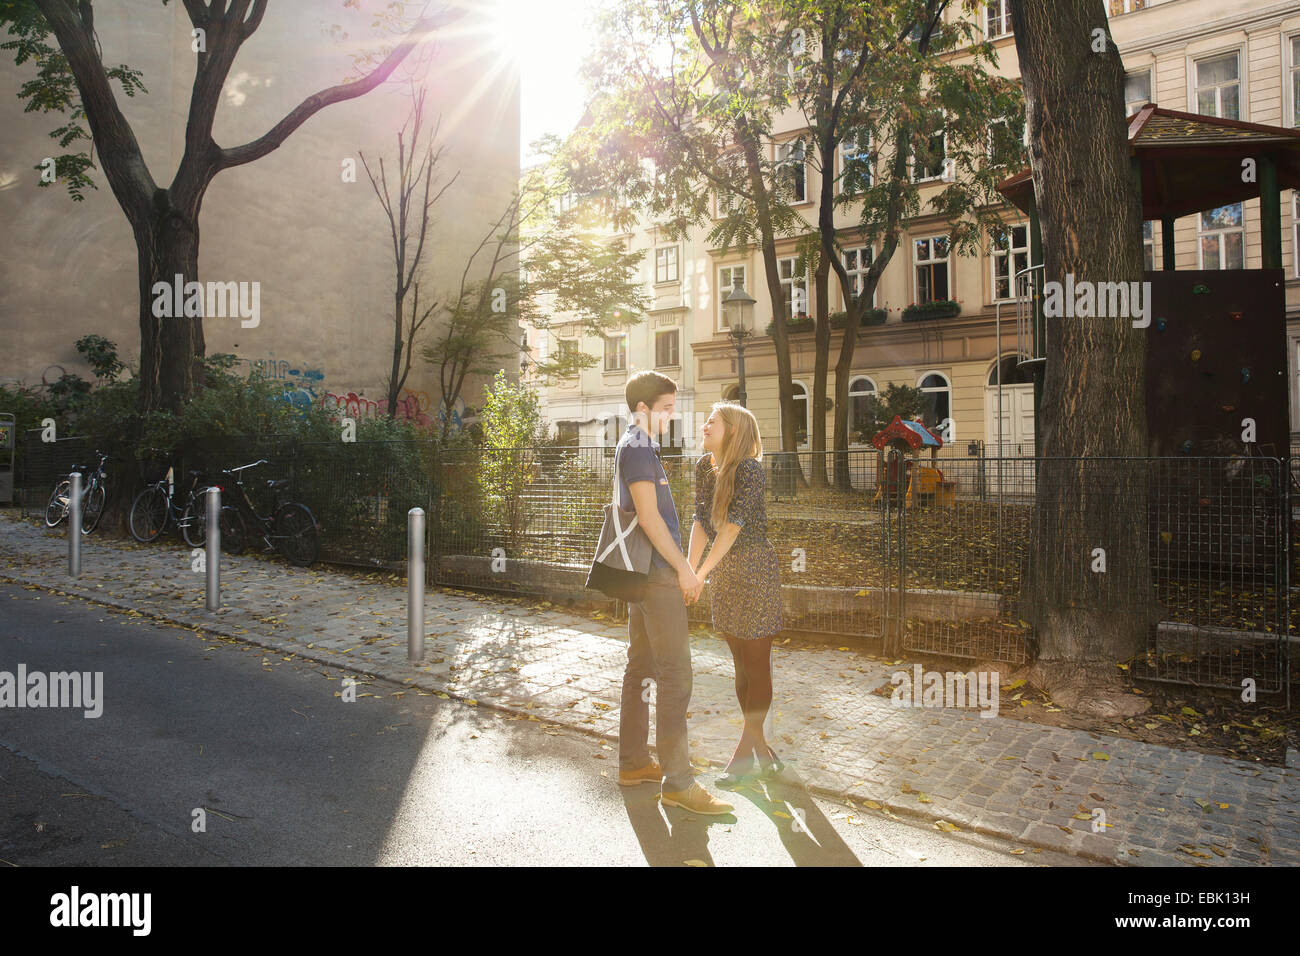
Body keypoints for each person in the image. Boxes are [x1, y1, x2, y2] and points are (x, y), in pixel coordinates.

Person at [615, 371, 734, 815]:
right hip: (657, 575)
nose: (673, 414)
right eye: (666, 407)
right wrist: (686, 569)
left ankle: (633, 763)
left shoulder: (637, 446)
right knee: (676, 676)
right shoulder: (639, 448)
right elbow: (649, 518)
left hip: (642, 575)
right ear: (643, 409)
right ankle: (679, 783)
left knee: (642, 667)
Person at [688, 402, 786, 786]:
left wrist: (701, 575)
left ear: (733, 430)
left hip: (755, 570)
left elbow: (730, 528)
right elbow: (700, 520)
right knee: (741, 668)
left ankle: (744, 755)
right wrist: (689, 571)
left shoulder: (749, 468)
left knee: (756, 665)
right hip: (724, 574)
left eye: (713, 421)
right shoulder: (703, 467)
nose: (705, 425)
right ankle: (763, 751)